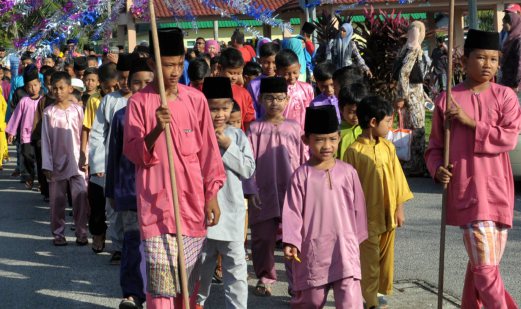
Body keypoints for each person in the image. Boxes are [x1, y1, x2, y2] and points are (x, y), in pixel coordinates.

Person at [123, 27, 226, 309]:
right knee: (160, 288)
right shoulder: (139, 103)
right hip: (156, 211)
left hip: (192, 208)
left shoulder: (196, 100)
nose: (174, 71)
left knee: (187, 284)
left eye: (179, 64)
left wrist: (212, 194)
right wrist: (156, 129)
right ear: (153, 64)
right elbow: (133, 152)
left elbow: (209, 153)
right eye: (168, 65)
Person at [426, 29, 521, 308]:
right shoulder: (447, 99)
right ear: (464, 61)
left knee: (482, 264)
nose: (488, 64)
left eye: (494, 59)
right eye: (480, 58)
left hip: (499, 192)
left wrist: (470, 122)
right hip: (467, 191)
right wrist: (437, 169)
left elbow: (509, 138)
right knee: (485, 270)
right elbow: (434, 148)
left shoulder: (506, 96)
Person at [283, 105, 367, 308]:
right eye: (319, 140)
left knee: (350, 300)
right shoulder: (301, 176)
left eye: (332, 139)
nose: (327, 145)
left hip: (344, 248)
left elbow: (359, 210)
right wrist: (291, 241)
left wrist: (356, 240)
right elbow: (292, 212)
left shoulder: (348, 172)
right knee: (312, 300)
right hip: (313, 250)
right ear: (306, 140)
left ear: (338, 137)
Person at [344, 95, 413, 309]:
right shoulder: (354, 152)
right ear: (373, 122)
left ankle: (378, 291)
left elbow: (398, 180)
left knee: (385, 259)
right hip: (366, 218)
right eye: (388, 122)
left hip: (388, 214)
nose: (390, 126)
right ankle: (371, 299)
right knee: (370, 259)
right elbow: (346, 189)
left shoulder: (388, 148)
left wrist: (399, 208)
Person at [196, 77, 255, 309]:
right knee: (201, 266)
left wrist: (228, 145)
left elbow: (248, 170)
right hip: (201, 214)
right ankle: (196, 303)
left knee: (236, 268)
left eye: (225, 107)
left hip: (231, 212)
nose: (220, 114)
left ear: (232, 106)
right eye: (213, 108)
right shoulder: (196, 134)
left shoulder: (238, 136)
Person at [245, 77, 305, 297]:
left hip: (291, 190)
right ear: (260, 99)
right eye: (269, 98)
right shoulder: (255, 128)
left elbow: (302, 159)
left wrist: (304, 189)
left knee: (293, 238)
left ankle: (296, 282)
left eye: (280, 98)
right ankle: (265, 277)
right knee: (262, 238)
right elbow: (248, 161)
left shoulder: (294, 128)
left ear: (287, 99)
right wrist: (250, 189)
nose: (274, 103)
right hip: (263, 191)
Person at [106, 56, 153, 309]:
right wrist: (112, 189)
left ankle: (157, 293)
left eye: (147, 81)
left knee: (156, 246)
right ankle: (132, 293)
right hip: (129, 190)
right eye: (136, 82)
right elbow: (113, 154)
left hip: (159, 192)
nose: (142, 87)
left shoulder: (165, 115)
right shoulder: (121, 116)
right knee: (132, 243)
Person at [88, 53, 133, 263]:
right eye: (121, 78)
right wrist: (98, 163)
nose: (124, 83)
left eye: (128, 78)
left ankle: (136, 245)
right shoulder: (109, 101)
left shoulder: (145, 99)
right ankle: (118, 246)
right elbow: (97, 133)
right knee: (114, 208)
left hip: (136, 164)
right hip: (112, 163)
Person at [41, 71, 89, 246]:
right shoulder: (49, 113)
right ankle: (58, 234)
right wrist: (47, 164)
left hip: (77, 161)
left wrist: (86, 156)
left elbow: (85, 135)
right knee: (57, 201)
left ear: (70, 88)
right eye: (55, 88)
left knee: (81, 198)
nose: (58, 92)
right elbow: (45, 140)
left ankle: (82, 232)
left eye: (62, 88)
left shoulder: (78, 110)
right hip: (56, 163)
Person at [396, 20, 432, 177]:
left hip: (415, 93)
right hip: (411, 96)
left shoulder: (405, 48)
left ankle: (412, 163)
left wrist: (425, 95)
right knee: (417, 130)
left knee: (411, 130)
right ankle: (417, 165)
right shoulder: (414, 50)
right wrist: (403, 97)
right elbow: (404, 73)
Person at [6, 66, 42, 189]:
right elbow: (16, 117)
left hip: (41, 134)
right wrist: (11, 132)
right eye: (30, 86)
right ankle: (30, 177)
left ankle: (42, 182)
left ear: (40, 84)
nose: (33, 88)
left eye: (35, 85)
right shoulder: (24, 101)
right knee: (27, 156)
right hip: (26, 134)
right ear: (26, 88)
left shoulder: (43, 100)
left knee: (41, 158)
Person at [31, 68, 56, 202]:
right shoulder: (43, 101)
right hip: (44, 140)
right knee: (44, 166)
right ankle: (46, 191)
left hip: (59, 141)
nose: (52, 87)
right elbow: (37, 121)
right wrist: (37, 139)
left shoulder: (66, 103)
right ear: (45, 84)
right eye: (49, 84)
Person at [217, 48, 256, 131]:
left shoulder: (244, 94)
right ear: (219, 68)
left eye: (238, 73)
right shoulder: (208, 90)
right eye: (231, 73)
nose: (234, 77)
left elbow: (248, 120)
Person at [275, 49, 314, 131]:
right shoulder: (275, 91)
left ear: (299, 67)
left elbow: (312, 113)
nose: (292, 77)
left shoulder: (307, 89)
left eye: (295, 72)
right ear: (278, 71)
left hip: (304, 132)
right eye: (286, 74)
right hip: (283, 133)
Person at [247, 42, 280, 118]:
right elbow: (253, 108)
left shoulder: (283, 80)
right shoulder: (253, 84)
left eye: (274, 62)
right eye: (266, 62)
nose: (270, 66)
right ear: (259, 61)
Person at [337, 83, 367, 160]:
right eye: (351, 112)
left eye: (360, 111)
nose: (356, 117)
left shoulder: (368, 129)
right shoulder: (336, 132)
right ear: (341, 109)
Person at [500, 12, 521, 98]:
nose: (503, 25)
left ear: (512, 23)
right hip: (507, 81)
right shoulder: (510, 38)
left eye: (505, 22)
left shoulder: (518, 41)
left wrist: (516, 83)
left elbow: (520, 63)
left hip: (515, 85)